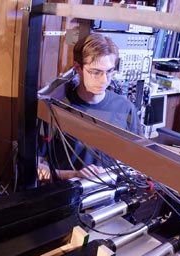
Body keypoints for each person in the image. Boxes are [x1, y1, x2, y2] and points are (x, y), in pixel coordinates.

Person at [38, 33, 141, 180]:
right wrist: (75, 175)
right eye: (96, 72)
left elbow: (137, 162)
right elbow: (35, 168)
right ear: (77, 68)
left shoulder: (125, 108)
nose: (104, 80)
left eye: (109, 71)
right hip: (70, 197)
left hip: (114, 198)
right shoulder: (55, 110)